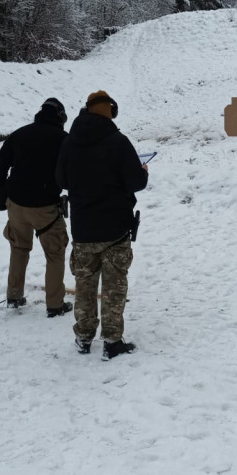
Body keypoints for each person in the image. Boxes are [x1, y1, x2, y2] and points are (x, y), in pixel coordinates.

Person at [56, 90, 148, 360]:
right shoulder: (118, 142)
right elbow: (136, 183)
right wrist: (142, 172)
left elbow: (61, 180)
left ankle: (83, 338)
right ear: (110, 111)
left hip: (83, 230)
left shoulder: (70, 143)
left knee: (84, 286)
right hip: (116, 229)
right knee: (114, 287)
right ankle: (112, 341)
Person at [0, 97, 72, 318]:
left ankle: (14, 296)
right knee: (55, 253)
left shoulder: (20, 133)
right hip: (46, 207)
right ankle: (55, 305)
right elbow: (72, 172)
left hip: (16, 205)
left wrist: (0, 197)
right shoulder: (63, 139)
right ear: (60, 117)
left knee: (18, 249)